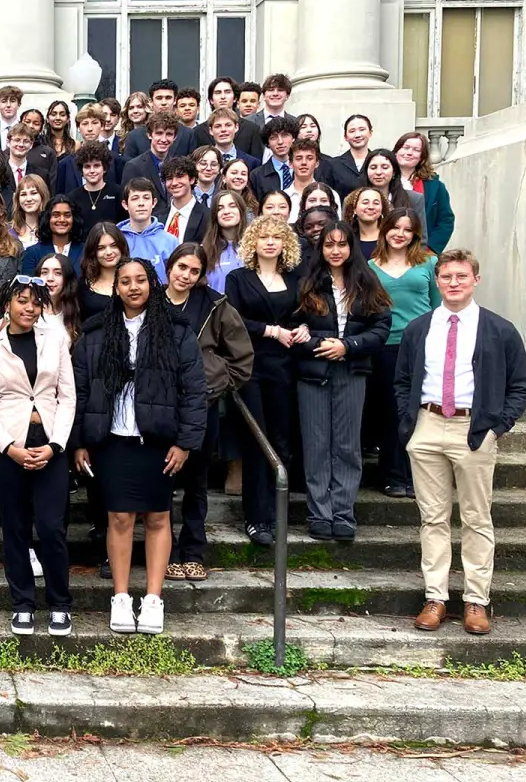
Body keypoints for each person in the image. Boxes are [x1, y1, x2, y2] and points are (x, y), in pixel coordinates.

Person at [395, 249, 526, 636]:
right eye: (446, 276)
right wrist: (410, 424)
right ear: (436, 281)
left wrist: (498, 426)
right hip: (427, 425)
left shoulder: (499, 329)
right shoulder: (420, 328)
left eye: (461, 276)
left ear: (476, 280)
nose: (453, 283)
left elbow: (520, 385)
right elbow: (403, 379)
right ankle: (435, 597)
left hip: (473, 429)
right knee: (433, 517)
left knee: (475, 517)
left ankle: (476, 600)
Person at [73, 257, 207, 635]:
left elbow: (195, 392)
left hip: (158, 439)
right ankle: (120, 595)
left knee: (158, 517)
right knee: (118, 517)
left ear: (153, 284)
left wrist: (185, 443)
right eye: (125, 281)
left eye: (141, 280)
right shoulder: (96, 331)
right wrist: (79, 441)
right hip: (113, 437)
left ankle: (152, 597)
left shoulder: (177, 331)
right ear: (115, 288)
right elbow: (81, 390)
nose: (134, 287)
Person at [0, 275, 75, 635]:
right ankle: (23, 603)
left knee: (51, 526)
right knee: (15, 527)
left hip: (50, 443)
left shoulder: (56, 340)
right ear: (8, 304)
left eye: (36, 302)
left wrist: (55, 445)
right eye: (22, 300)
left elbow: (67, 397)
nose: (29, 308)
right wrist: (10, 449)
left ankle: (60, 603)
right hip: (8, 445)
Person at [290, 220, 391, 542]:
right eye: (329, 245)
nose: (336, 251)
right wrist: (318, 342)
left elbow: (381, 327)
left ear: (351, 247)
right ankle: (319, 512)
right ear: (321, 249)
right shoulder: (307, 282)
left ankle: (343, 512)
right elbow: (292, 327)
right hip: (313, 371)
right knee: (316, 444)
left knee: (347, 445)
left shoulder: (366, 282)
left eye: (342, 244)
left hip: (352, 370)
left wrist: (348, 346)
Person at [160, 243, 252, 582]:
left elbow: (241, 356)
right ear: (170, 267)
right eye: (181, 267)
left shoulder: (215, 304)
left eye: (193, 270)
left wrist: (218, 381)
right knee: (162, 482)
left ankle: (193, 551)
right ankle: (165, 552)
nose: (185, 275)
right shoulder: (153, 301)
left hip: (203, 405)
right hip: (160, 407)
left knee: (196, 482)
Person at [225, 215, 306, 545]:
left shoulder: (296, 278)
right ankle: (256, 518)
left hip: (286, 367)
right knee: (258, 442)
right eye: (263, 237)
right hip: (252, 366)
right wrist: (271, 330)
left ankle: (277, 515)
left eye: (276, 237)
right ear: (252, 243)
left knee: (283, 440)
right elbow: (232, 318)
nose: (270, 242)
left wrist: (304, 328)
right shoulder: (238, 278)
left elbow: (307, 313)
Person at [369, 208, 439, 498]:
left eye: (407, 229)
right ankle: (392, 475)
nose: (400, 234)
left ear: (415, 234)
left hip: (421, 347)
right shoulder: (370, 266)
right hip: (384, 347)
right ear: (385, 229)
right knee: (389, 413)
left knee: (419, 413)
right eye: (395, 227)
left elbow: (438, 307)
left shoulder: (429, 262)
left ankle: (416, 477)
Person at [394, 131, 455, 253]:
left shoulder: (434, 186)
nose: (409, 153)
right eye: (405, 147)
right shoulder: (382, 180)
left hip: (420, 252)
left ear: (422, 156)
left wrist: (430, 249)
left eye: (416, 150)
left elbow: (446, 220)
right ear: (396, 151)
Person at [116, 177, 175, 281]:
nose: (141, 203)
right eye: (135, 198)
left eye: (146, 198)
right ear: (125, 205)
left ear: (154, 203)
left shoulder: (170, 241)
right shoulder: (116, 240)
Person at [121, 112, 182, 202]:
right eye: (159, 133)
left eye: (169, 134)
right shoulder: (134, 166)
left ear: (175, 137)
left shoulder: (178, 166)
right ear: (149, 135)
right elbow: (127, 201)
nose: (164, 139)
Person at [360, 148, 428, 227]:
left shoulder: (414, 199)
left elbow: (421, 236)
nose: (378, 172)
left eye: (385, 167)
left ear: (394, 172)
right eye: (373, 167)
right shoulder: (353, 199)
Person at [20, 195, 83, 275]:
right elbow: (29, 286)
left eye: (67, 215)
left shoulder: (86, 251)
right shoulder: (33, 253)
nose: (62, 220)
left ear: (74, 219)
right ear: (48, 219)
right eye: (56, 215)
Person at [65, 140, 121, 230]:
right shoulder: (72, 197)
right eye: (87, 166)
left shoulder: (118, 193)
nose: (92, 171)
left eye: (96, 166)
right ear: (81, 170)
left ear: (104, 168)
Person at [201, 189, 249, 292]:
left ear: (241, 210)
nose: (226, 212)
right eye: (220, 208)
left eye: (232, 206)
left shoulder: (256, 247)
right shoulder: (204, 251)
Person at [155, 156, 208, 244]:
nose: (174, 183)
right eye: (169, 178)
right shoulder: (156, 218)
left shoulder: (207, 217)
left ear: (191, 179)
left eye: (179, 176)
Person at [249, 116, 298, 202]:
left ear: (293, 138)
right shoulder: (257, 175)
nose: (280, 142)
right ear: (267, 143)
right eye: (273, 138)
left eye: (285, 135)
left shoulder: (305, 169)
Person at [325, 114, 374, 197]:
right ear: (345, 137)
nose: (357, 135)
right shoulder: (333, 164)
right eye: (352, 131)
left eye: (362, 129)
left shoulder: (378, 162)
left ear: (370, 133)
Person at [346, 187, 387, 258]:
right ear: (354, 208)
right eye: (365, 203)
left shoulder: (389, 236)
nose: (371, 207)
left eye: (376, 203)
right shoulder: (346, 237)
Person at [11, 173, 49, 248]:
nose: (28, 199)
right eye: (23, 194)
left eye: (33, 193)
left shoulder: (51, 230)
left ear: (42, 196)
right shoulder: (10, 232)